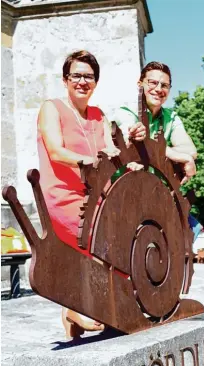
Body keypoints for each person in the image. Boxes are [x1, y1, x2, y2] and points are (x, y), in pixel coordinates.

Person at [37, 50, 123, 338]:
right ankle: (76, 305)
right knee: (98, 241)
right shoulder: (52, 108)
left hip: (96, 196)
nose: (82, 81)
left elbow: (110, 148)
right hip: (63, 196)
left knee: (121, 242)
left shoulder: (99, 115)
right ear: (65, 79)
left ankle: (85, 310)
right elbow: (55, 150)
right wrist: (86, 160)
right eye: (76, 75)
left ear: (96, 82)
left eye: (89, 76)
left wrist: (115, 155)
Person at [113, 61, 201, 238]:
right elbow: (138, 141)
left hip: (157, 193)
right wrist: (181, 157)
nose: (158, 89)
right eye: (152, 83)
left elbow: (189, 149)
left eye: (164, 85)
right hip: (126, 192)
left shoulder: (171, 117)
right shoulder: (126, 112)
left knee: (193, 228)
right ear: (141, 84)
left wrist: (187, 157)